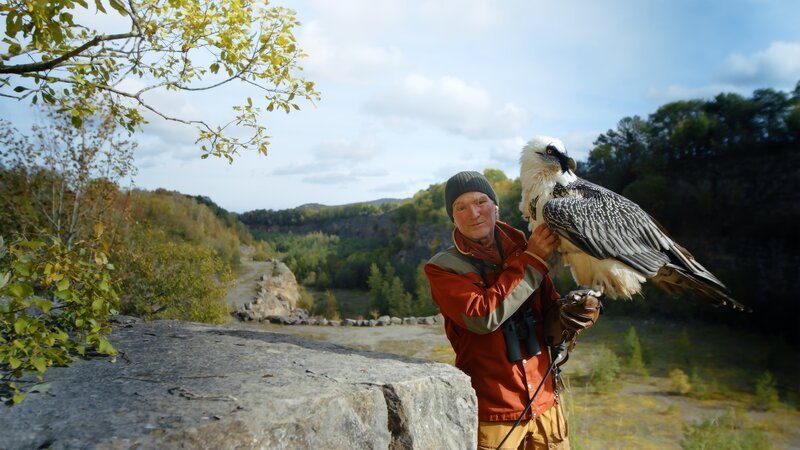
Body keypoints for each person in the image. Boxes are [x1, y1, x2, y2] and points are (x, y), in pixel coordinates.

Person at [424, 170, 569, 450]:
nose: (473, 212)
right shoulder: (442, 268)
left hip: (547, 403)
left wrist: (577, 313)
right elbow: (482, 316)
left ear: (496, 207)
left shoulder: (524, 248)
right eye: (460, 207)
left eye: (480, 201)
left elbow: (551, 311)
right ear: (453, 218)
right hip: (494, 414)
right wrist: (533, 260)